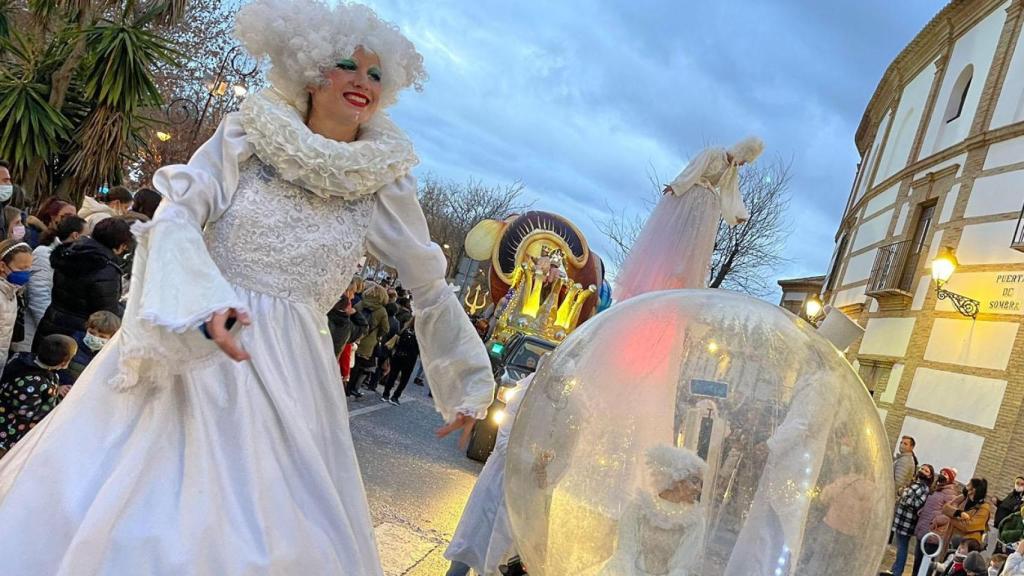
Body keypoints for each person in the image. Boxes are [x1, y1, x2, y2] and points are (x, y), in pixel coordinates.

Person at [0, 2, 495, 572]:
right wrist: (198, 303)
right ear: (312, 72)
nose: (363, 82)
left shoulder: (384, 180)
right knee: (143, 512)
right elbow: (180, 211)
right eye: (348, 66)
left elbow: (428, 281)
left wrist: (464, 379)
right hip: (202, 341)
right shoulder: (249, 133)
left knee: (271, 533)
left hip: (294, 368)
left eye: (376, 74)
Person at [613, 138, 763, 300]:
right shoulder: (713, 153)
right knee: (674, 239)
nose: (742, 164)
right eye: (744, 160)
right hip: (691, 198)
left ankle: (679, 281)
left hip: (707, 209)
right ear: (741, 151)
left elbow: (730, 193)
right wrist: (678, 185)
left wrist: (737, 214)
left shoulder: (731, 170)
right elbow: (694, 169)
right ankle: (656, 278)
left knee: (694, 249)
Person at [446, 371, 537, 576]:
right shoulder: (523, 395)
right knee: (468, 547)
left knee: (498, 560)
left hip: (522, 497)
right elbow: (504, 443)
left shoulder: (559, 410)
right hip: (496, 483)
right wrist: (534, 462)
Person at [586, 444, 708, 576]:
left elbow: (681, 567)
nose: (699, 489)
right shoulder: (639, 507)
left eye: (701, 483)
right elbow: (625, 552)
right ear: (677, 479)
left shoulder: (693, 521)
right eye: (694, 481)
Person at [33, 216, 129, 348]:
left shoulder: (70, 253)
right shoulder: (106, 269)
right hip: (80, 335)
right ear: (120, 246)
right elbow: (106, 311)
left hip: (52, 322)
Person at [0, 334, 76, 457]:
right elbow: (25, 412)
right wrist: (55, 405)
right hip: (9, 430)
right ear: (64, 362)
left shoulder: (22, 357)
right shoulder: (33, 381)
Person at [21, 216, 87, 354]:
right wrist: (51, 331)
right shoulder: (45, 254)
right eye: (86, 236)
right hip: (36, 333)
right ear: (75, 235)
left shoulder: (71, 257)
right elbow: (38, 296)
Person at [886, 464, 935, 576]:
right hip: (900, 519)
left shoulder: (924, 488)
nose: (922, 471)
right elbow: (901, 492)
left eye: (926, 471)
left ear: (930, 476)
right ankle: (894, 569)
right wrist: (902, 492)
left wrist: (904, 495)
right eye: (922, 468)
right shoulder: (915, 483)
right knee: (900, 547)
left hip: (907, 523)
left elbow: (916, 503)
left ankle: (897, 572)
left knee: (902, 547)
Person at [916, 468, 962, 575]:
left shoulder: (951, 494)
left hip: (934, 532)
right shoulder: (936, 489)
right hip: (923, 528)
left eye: (945, 474)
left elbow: (949, 514)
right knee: (917, 562)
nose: (941, 475)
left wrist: (936, 520)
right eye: (941, 473)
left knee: (926, 565)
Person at [349, 281, 389, 397]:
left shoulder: (361, 303)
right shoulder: (382, 311)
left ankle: (347, 384)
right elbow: (385, 329)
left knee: (352, 362)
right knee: (362, 366)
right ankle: (354, 388)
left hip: (356, 336)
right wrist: (377, 336)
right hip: (369, 342)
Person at [0, 239, 32, 370]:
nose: (27, 273)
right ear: (2, 266)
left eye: (29, 268)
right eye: (22, 268)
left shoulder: (11, 291)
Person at [67, 310, 120, 383]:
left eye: (102, 336)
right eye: (92, 333)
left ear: (111, 338)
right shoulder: (73, 344)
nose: (95, 337)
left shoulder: (111, 354)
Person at [943, 478, 995, 547]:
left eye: (968, 485)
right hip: (950, 540)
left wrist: (951, 517)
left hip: (965, 545)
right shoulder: (964, 498)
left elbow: (968, 526)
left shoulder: (984, 508)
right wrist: (959, 513)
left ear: (974, 490)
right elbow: (945, 508)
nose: (965, 486)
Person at [382, 319, 418, 405]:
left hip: (398, 356)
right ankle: (395, 396)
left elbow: (396, 343)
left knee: (392, 375)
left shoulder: (403, 330)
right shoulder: (421, 337)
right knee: (404, 379)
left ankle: (386, 394)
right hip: (410, 359)